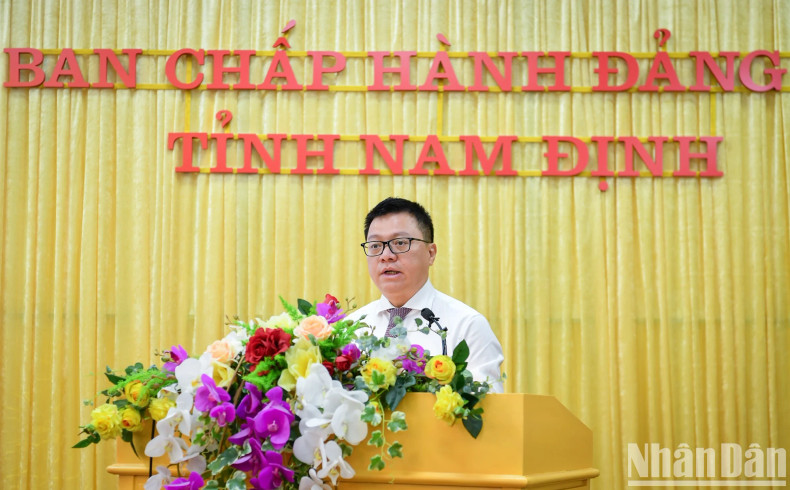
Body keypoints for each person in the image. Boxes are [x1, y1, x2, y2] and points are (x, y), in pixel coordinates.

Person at [349, 197, 504, 393]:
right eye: (375, 245)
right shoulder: (352, 328)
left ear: (431, 253)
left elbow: (487, 405)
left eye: (400, 243)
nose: (386, 255)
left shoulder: (467, 326)